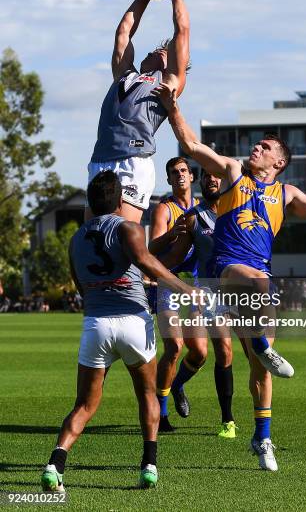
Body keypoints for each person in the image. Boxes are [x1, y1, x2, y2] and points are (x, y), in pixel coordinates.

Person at [153, 84, 306, 471]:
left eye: (265, 148)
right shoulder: (233, 172)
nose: (256, 149)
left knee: (261, 367)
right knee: (259, 283)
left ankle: (262, 437)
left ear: (279, 161)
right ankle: (263, 344)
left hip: (256, 276)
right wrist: (172, 106)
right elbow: (192, 146)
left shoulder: (287, 192)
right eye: (257, 145)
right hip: (226, 269)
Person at [41, 171, 202, 492]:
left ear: (91, 202)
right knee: (146, 394)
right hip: (132, 322)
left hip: (96, 325)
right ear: (120, 201)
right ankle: (149, 465)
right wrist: (187, 288)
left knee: (84, 405)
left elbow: (81, 287)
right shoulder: (128, 228)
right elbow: (147, 263)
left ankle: (54, 464)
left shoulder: (76, 240)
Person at [86, 0, 190, 224]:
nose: (152, 51)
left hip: (133, 160)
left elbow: (182, 32)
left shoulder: (169, 80)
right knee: (91, 237)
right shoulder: (124, 74)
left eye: (160, 51)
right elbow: (123, 32)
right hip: (101, 158)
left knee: (122, 236)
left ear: (168, 61)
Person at [160, 168, 237, 438]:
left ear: (226, 180)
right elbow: (175, 255)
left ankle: (227, 420)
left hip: (234, 291)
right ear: (201, 181)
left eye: (217, 176)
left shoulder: (238, 210)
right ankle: (177, 386)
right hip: (204, 291)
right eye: (206, 176)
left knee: (226, 351)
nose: (211, 180)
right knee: (197, 351)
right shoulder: (192, 217)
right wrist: (147, 267)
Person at [148, 157, 206, 432]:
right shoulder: (164, 209)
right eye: (174, 172)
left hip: (194, 287)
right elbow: (151, 246)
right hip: (169, 284)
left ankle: (178, 384)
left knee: (200, 353)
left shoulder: (204, 208)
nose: (179, 175)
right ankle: (161, 413)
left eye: (183, 171)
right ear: (169, 180)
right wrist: (172, 234)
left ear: (191, 176)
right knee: (174, 347)